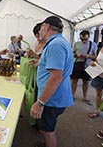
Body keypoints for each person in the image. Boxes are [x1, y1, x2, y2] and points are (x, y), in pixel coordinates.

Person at [30, 16, 73, 147]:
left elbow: (55, 77)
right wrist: (40, 63)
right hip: (54, 96)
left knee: (48, 132)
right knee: (46, 128)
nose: (40, 32)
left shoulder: (55, 45)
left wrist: (40, 103)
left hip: (51, 98)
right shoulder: (59, 42)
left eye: (41, 27)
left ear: (47, 27)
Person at [70, 30, 97, 105]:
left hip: (87, 65)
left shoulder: (93, 44)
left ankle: (85, 97)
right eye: (82, 39)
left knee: (86, 81)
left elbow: (95, 56)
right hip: (77, 63)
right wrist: (76, 55)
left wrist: (88, 56)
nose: (83, 41)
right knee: (74, 80)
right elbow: (73, 53)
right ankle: (72, 95)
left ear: (89, 37)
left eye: (85, 39)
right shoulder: (76, 44)